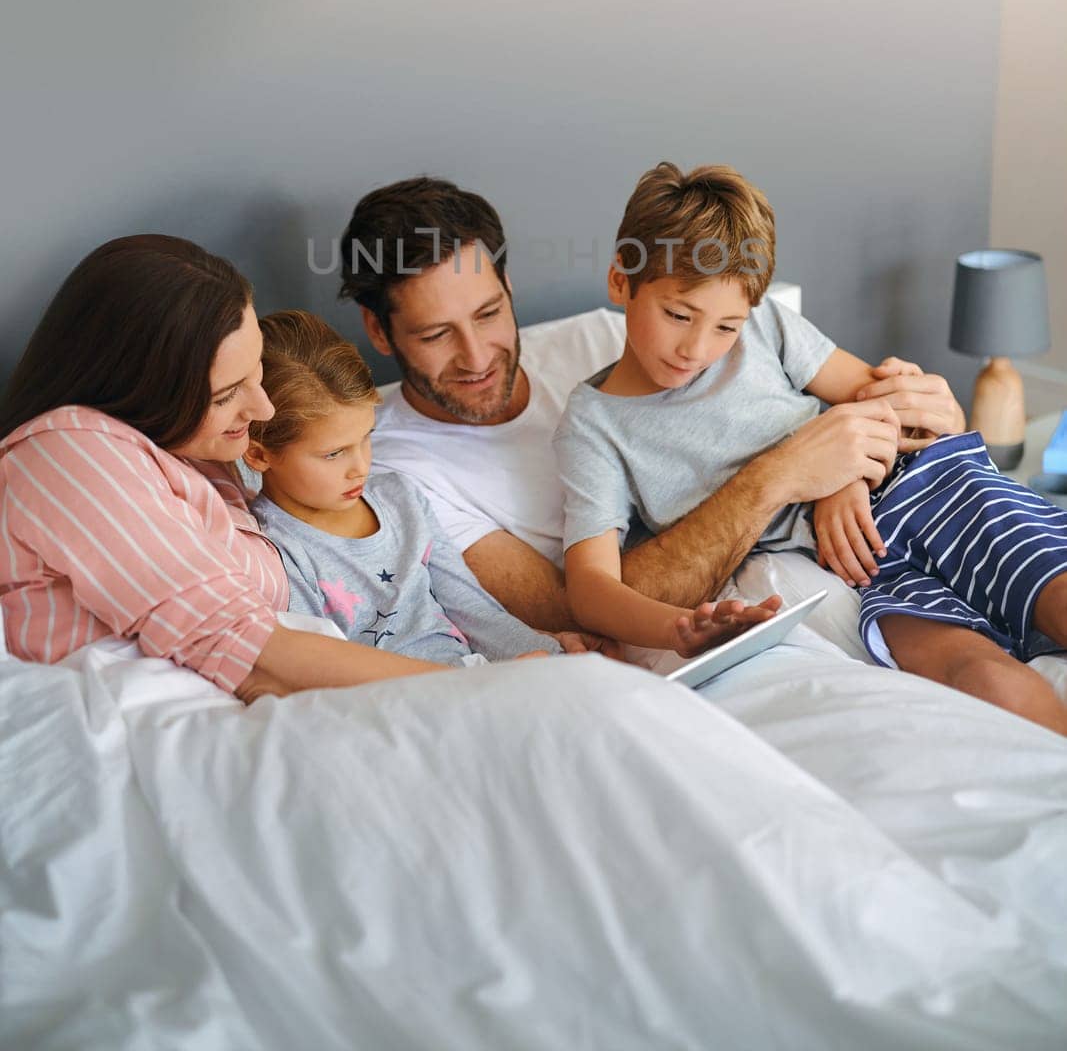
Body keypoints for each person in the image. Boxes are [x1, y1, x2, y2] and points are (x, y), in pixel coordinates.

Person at [556, 162, 1067, 736]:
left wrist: (841, 477)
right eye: (678, 315)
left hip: (928, 486)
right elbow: (590, 589)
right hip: (856, 560)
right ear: (621, 280)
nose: (697, 348)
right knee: (978, 674)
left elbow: (876, 398)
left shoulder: (766, 325)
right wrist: (677, 627)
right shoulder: (593, 426)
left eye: (725, 327)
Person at [340, 177, 964, 632]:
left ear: (510, 287)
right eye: (436, 334)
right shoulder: (397, 470)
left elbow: (822, 409)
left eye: (489, 313)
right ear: (378, 331)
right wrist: (784, 475)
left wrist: (864, 455)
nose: (477, 356)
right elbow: (571, 606)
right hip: (721, 607)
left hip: (849, 536)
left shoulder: (623, 337)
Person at [0, 236, 479, 700]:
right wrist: (470, 692)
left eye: (255, 375)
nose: (263, 408)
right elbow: (240, 649)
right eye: (228, 393)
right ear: (141, 385)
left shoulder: (199, 457)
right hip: (146, 718)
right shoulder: (69, 452)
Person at [246, 309, 776, 663]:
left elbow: (470, 606)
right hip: (408, 702)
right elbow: (326, 668)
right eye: (333, 453)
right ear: (258, 452)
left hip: (481, 675)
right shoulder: (275, 549)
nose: (359, 466)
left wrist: (543, 651)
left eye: (366, 438)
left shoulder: (398, 496)